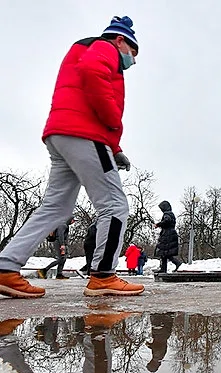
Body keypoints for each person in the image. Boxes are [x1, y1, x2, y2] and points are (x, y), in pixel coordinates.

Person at [0, 16, 144, 298]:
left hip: (61, 134)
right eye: (133, 52)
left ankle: (6, 267)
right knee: (114, 205)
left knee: (55, 208)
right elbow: (92, 73)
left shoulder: (83, 48)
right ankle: (103, 275)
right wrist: (114, 123)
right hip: (86, 135)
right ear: (120, 40)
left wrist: (115, 150)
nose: (133, 61)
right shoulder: (105, 48)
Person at [155, 201, 182, 273]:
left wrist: (158, 224)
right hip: (170, 233)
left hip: (167, 235)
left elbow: (167, 221)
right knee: (165, 253)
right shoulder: (170, 213)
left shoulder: (167, 214)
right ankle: (164, 268)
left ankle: (176, 264)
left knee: (164, 252)